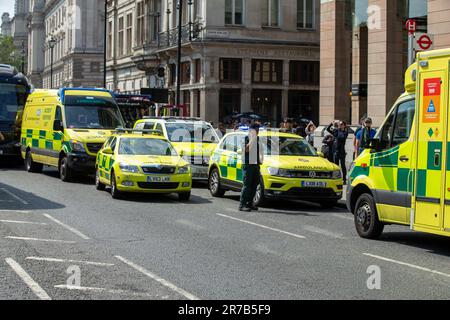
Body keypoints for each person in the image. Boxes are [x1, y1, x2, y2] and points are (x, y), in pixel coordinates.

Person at [240, 122, 264, 212]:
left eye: (258, 130)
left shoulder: (258, 139)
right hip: (248, 165)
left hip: (255, 165)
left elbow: (260, 150)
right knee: (247, 185)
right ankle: (242, 204)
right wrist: (252, 139)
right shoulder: (245, 138)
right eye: (256, 130)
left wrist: (261, 159)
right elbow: (246, 150)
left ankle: (249, 203)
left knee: (255, 184)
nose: (258, 132)